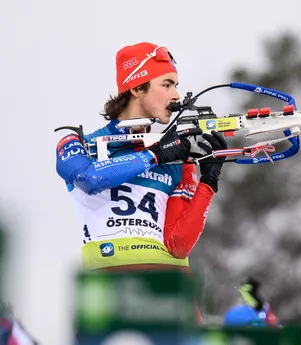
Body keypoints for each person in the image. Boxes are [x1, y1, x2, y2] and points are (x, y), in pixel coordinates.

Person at [55, 42, 226, 275]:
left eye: (176, 85)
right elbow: (90, 179)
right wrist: (156, 155)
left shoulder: (174, 155)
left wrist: (208, 182)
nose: (175, 95)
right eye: (166, 84)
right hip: (112, 283)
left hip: (170, 286)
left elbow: (178, 246)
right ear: (136, 88)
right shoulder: (79, 143)